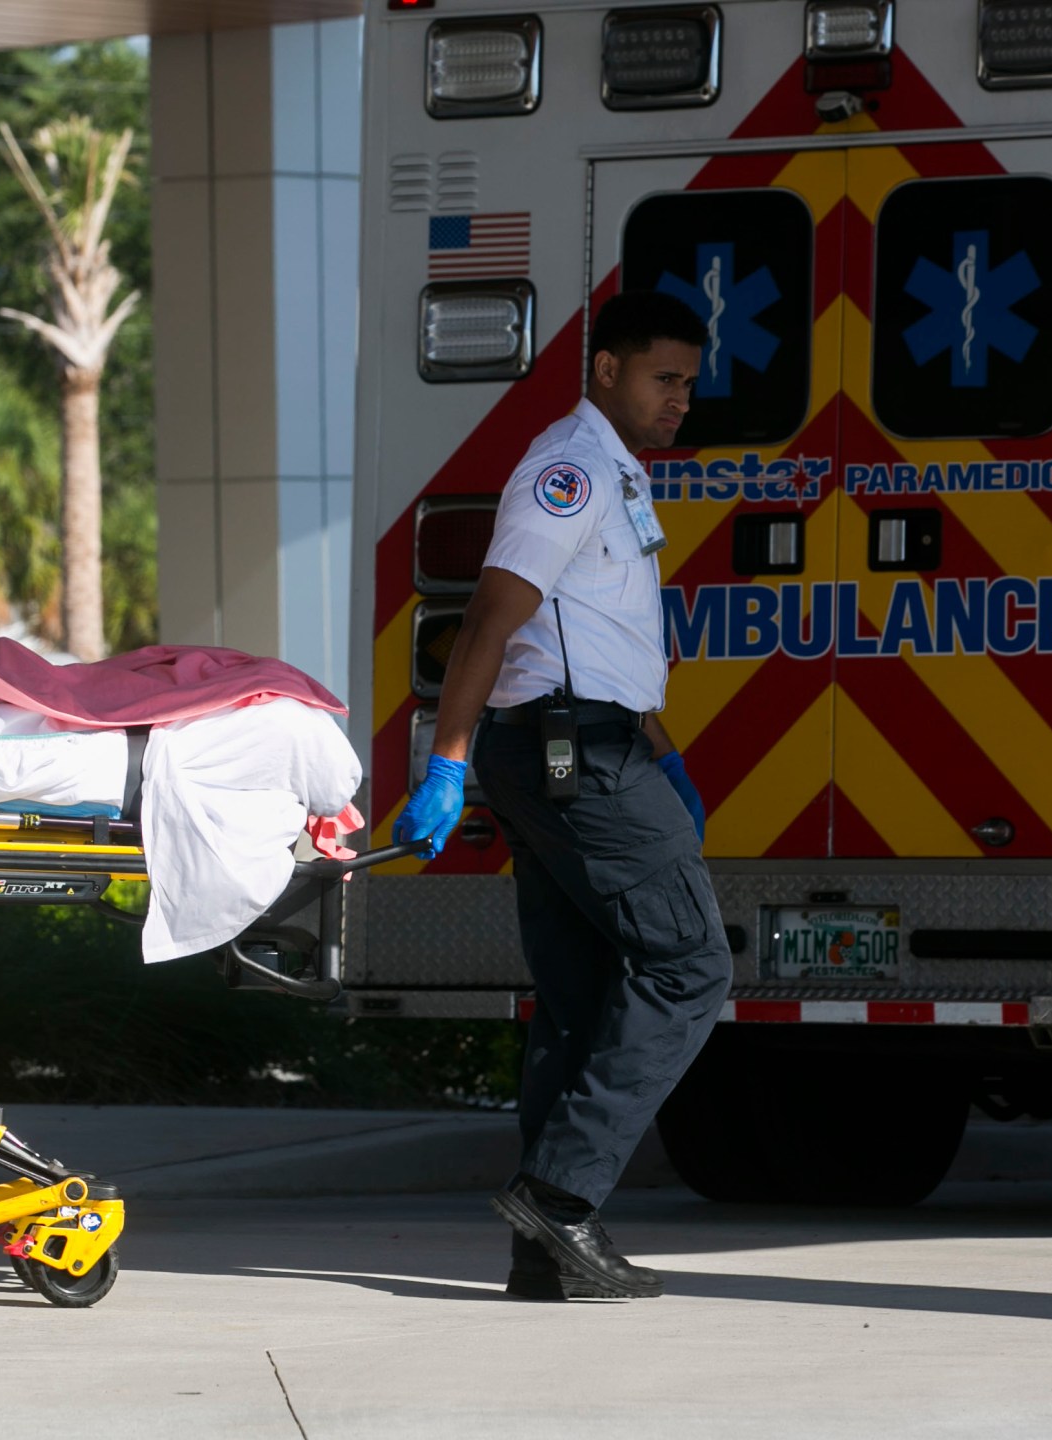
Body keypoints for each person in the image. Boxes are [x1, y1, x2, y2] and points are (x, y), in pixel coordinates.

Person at [391, 291, 730, 1303]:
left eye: (688, 382)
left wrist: (665, 758)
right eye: (665, 379)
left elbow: (609, 645)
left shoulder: (615, 476)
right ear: (608, 372)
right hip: (568, 753)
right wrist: (444, 762)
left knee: (581, 1001)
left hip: (590, 746)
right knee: (688, 965)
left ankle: (545, 1256)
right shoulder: (570, 471)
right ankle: (559, 1198)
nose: (681, 400)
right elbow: (490, 621)